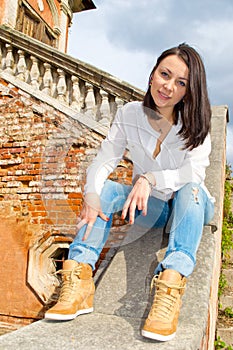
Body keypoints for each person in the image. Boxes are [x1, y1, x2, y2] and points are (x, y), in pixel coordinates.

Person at [45, 43, 215, 342]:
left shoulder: (197, 125)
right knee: (106, 190)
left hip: (191, 205)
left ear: (189, 91)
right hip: (155, 209)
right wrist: (91, 193)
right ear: (152, 74)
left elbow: (194, 174)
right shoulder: (129, 114)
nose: (168, 86)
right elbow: (105, 158)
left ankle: (171, 285)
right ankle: (80, 279)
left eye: (181, 82)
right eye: (165, 74)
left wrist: (150, 177)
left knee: (191, 189)